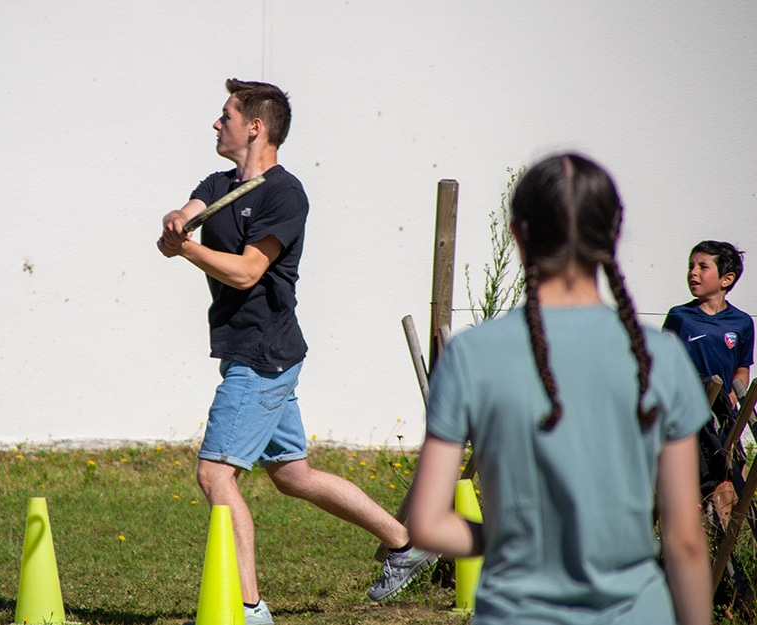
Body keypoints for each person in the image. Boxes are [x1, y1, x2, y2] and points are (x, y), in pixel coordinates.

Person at [156, 78, 436, 625]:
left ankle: (247, 609)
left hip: (263, 355)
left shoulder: (284, 194)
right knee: (293, 475)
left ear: (255, 127)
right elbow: (190, 208)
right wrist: (176, 223)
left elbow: (247, 272)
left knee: (216, 474)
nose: (217, 124)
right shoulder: (219, 182)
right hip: (255, 350)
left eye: (226, 115)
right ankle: (408, 544)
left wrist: (186, 248)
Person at [406, 153, 712, 624]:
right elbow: (685, 540)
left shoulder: (471, 355)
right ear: (613, 237)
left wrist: (507, 541)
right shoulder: (662, 358)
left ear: (516, 233)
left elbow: (426, 524)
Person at [662, 241, 753, 404]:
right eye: (691, 266)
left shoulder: (742, 322)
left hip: (720, 416)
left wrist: (731, 400)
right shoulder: (679, 316)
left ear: (726, 279)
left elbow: (742, 369)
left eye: (703, 267)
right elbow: (662, 363)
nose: (693, 272)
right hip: (685, 410)